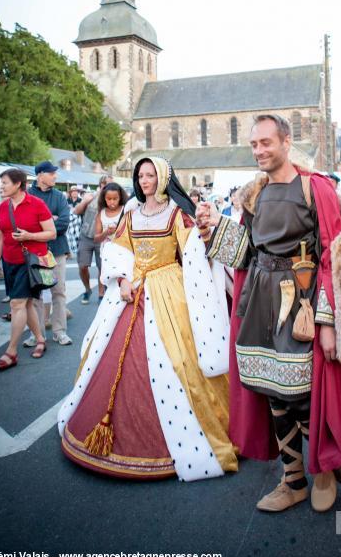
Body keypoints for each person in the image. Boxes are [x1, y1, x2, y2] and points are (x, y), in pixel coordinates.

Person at [196, 114, 341, 513]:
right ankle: (293, 479)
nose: (260, 150)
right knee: (272, 391)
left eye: (266, 142)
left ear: (285, 141)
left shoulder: (317, 189)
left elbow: (335, 257)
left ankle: (324, 468)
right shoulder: (252, 194)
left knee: (304, 392)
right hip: (260, 302)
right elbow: (246, 253)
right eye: (254, 145)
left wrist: (328, 322)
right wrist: (213, 233)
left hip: (303, 302)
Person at [57, 157, 238, 480]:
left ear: (163, 177)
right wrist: (123, 280)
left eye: (150, 175)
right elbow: (117, 249)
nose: (144, 180)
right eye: (140, 175)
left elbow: (196, 250)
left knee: (179, 361)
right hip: (133, 290)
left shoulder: (176, 214)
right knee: (112, 358)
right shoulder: (131, 214)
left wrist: (204, 231)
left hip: (169, 290)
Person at [0, 168, 56, 369]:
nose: (1, 186)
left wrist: (30, 236)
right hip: (9, 263)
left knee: (17, 304)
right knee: (25, 305)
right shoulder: (3, 206)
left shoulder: (37, 204)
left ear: (18, 184)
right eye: (1, 182)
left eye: (5, 182)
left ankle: (11, 352)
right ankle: (40, 339)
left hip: (30, 263)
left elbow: (51, 233)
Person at [26, 161, 72, 347]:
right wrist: (49, 224)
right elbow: (25, 224)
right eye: (52, 173)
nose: (55, 176)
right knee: (35, 294)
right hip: (34, 251)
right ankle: (36, 334)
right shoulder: (27, 195)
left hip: (57, 250)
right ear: (40, 175)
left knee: (58, 292)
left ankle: (59, 332)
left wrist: (42, 226)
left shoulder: (59, 196)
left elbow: (65, 222)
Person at [74, 175, 110, 304]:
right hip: (86, 236)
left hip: (103, 238)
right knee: (83, 266)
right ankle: (87, 289)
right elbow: (76, 212)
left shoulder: (113, 199)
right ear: (101, 185)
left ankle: (101, 293)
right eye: (106, 185)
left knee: (102, 267)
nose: (109, 188)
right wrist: (84, 201)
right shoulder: (91, 197)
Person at [93, 182, 127, 253]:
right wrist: (106, 233)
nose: (112, 202)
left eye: (115, 199)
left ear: (120, 198)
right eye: (109, 199)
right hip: (106, 255)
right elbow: (96, 239)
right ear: (104, 198)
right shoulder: (101, 214)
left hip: (123, 252)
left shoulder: (126, 210)